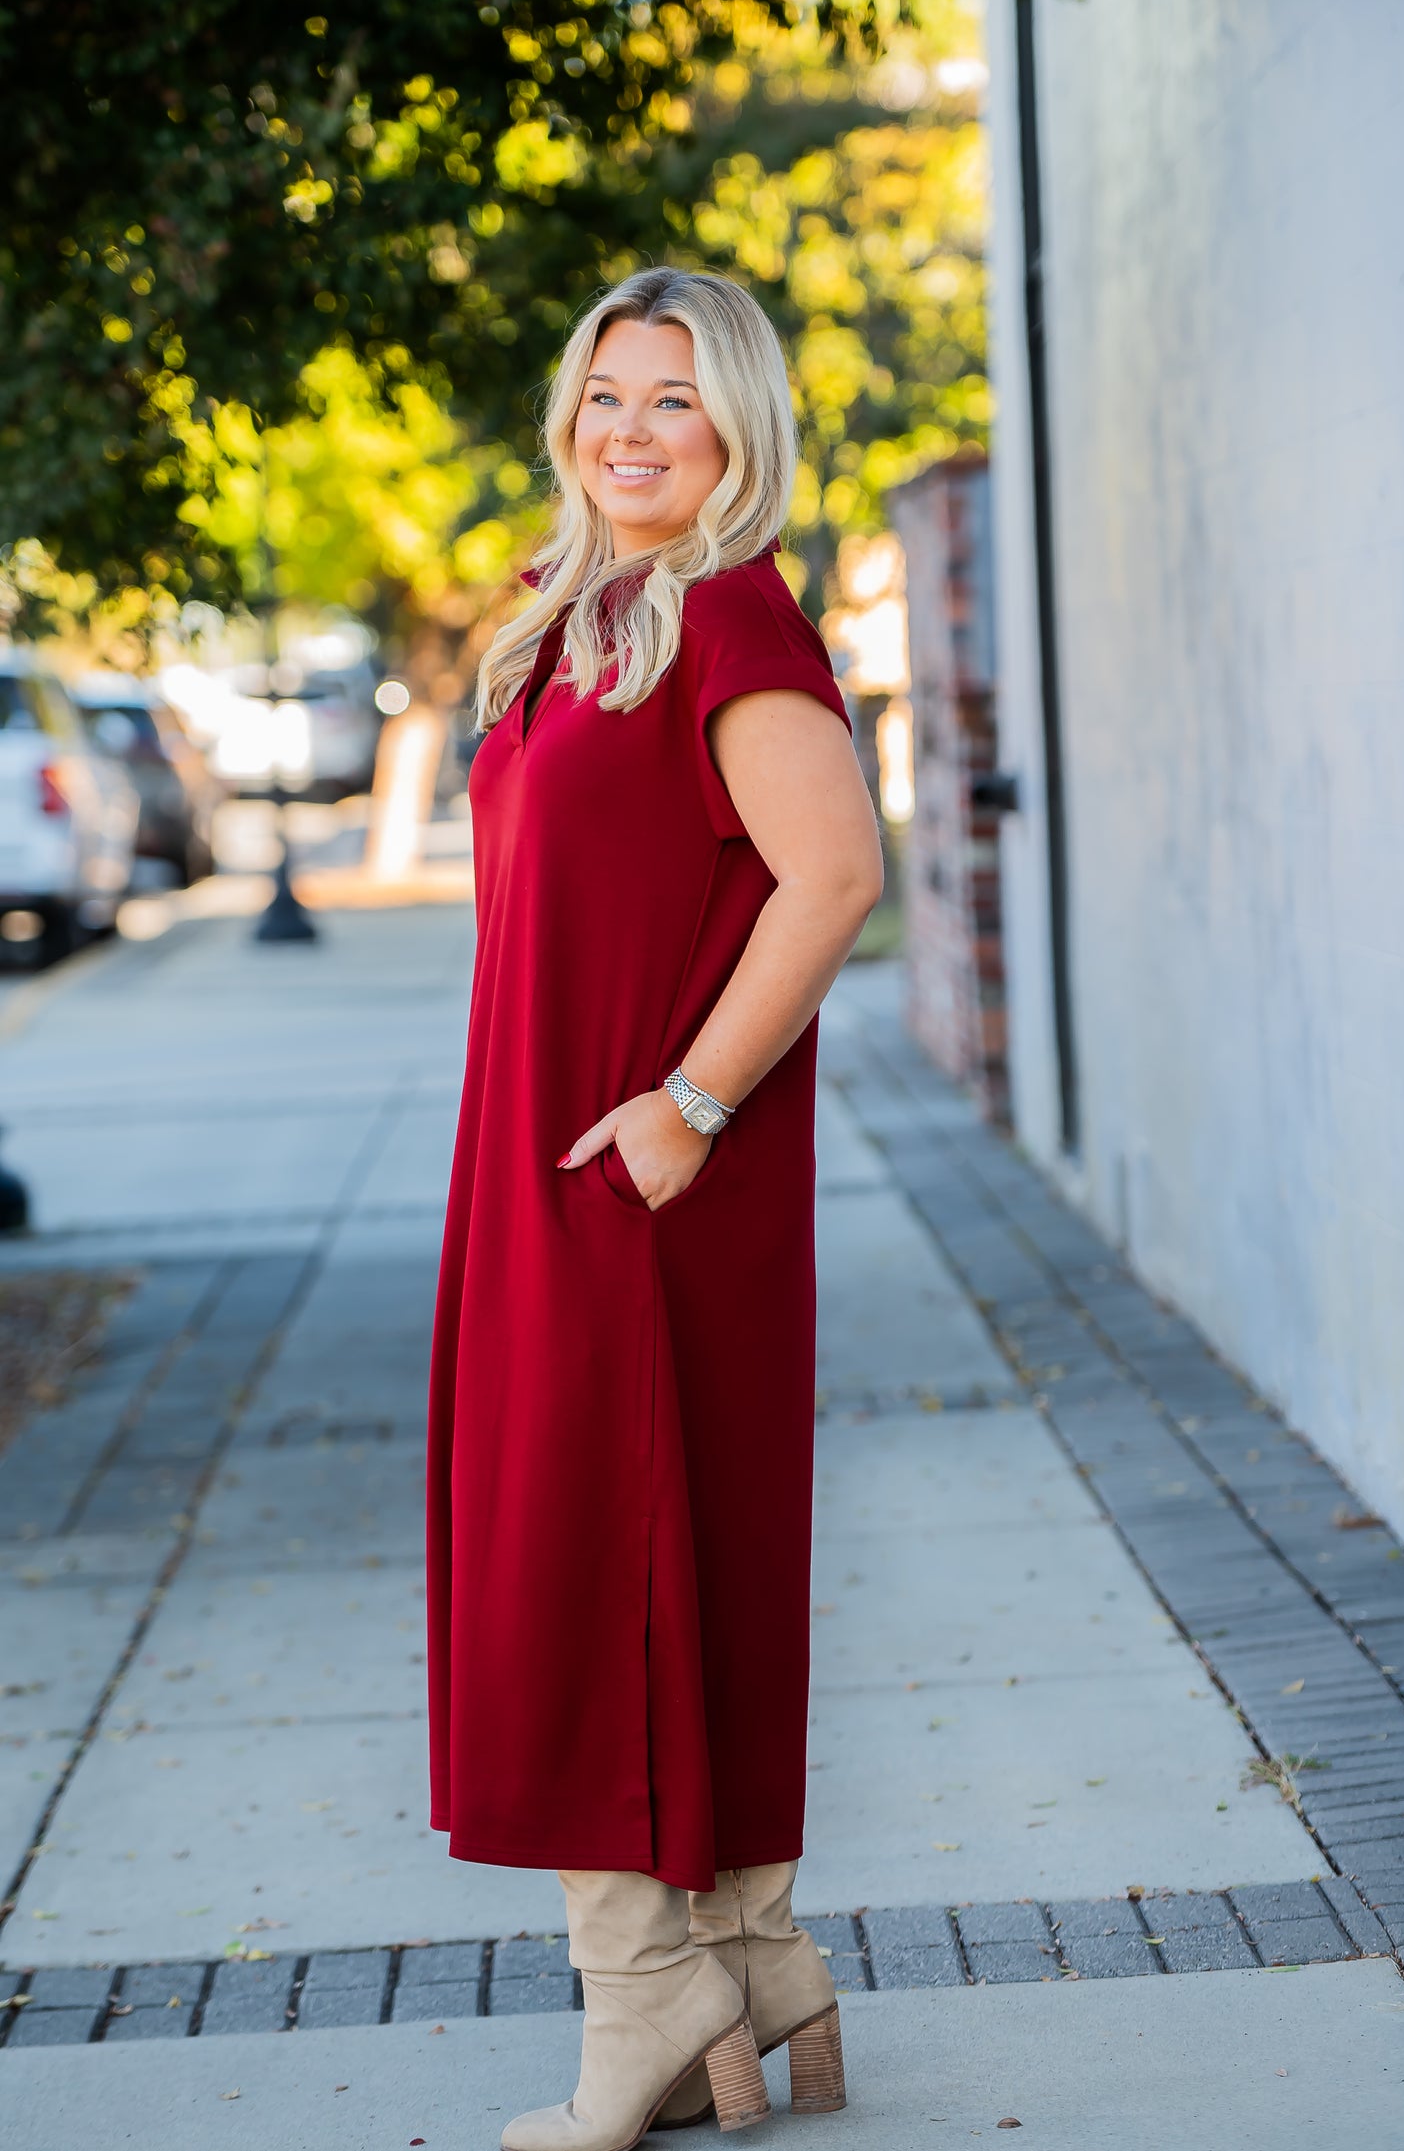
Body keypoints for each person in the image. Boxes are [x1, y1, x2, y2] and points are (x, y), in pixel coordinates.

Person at [428, 265, 884, 2151]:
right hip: (557, 1166)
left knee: (575, 1573)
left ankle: (644, 1996)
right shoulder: (572, 614)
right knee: (660, 1556)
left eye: (672, 400)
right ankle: (754, 1962)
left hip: (650, 1169)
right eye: (604, 391)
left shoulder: (727, 613)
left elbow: (833, 874)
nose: (628, 429)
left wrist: (686, 1107)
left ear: (736, 428)